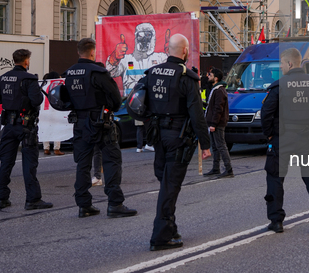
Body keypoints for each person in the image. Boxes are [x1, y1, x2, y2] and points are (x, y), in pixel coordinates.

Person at [140, 34, 212, 251]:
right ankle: (160, 237)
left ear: (167, 49)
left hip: (157, 136)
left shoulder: (151, 73)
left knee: (165, 183)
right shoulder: (186, 77)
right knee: (170, 187)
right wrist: (205, 144)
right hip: (177, 138)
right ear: (185, 51)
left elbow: (137, 101)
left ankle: (170, 228)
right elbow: (197, 114)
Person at [63, 38, 137, 219]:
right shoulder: (98, 72)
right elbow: (116, 99)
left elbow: (64, 98)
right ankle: (115, 204)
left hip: (79, 125)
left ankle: (84, 205)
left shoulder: (70, 74)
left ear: (78, 52)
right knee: (111, 161)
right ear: (93, 52)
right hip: (100, 123)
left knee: (82, 164)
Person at [261, 48, 309, 235]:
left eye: (282, 64)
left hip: (282, 138)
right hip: (307, 137)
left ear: (290, 64)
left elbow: (266, 112)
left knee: (275, 178)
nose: (281, 67)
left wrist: (269, 134)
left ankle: (276, 221)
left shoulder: (278, 86)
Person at [0, 49, 53, 211]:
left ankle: (1, 198)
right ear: (26, 61)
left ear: (14, 60)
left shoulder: (3, 78)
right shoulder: (29, 78)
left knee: (6, 162)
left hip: (9, 126)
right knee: (29, 162)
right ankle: (33, 199)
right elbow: (37, 100)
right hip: (26, 126)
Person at [203, 68, 233, 178]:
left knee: (221, 145)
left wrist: (213, 124)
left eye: (210, 75)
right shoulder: (215, 89)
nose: (208, 76)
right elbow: (213, 107)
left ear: (216, 78)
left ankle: (228, 169)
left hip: (217, 123)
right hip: (213, 122)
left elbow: (218, 109)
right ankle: (216, 168)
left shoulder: (219, 90)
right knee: (215, 146)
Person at [42, 71, 65, 156]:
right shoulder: (56, 86)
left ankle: (46, 148)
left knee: (45, 128)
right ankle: (56, 148)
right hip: (54, 108)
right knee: (57, 128)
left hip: (44, 109)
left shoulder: (43, 86)